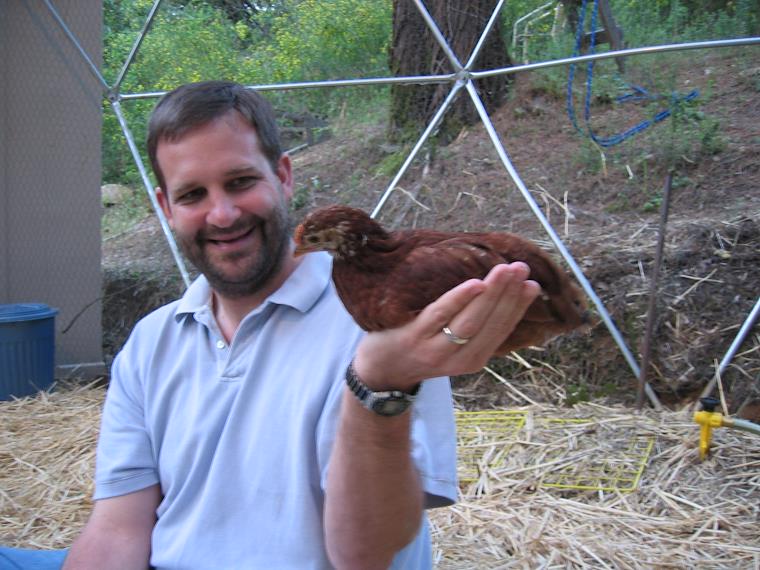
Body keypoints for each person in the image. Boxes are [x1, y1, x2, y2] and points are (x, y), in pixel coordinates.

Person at [2, 80, 539, 570]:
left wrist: (379, 387)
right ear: (166, 206)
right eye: (193, 195)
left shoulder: (386, 325)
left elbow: (365, 555)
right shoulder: (152, 341)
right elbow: (119, 533)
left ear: (283, 177)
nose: (222, 215)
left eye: (240, 182)